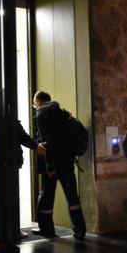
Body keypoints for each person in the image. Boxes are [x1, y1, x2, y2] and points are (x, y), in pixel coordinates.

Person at [31, 91, 87, 240]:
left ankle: (46, 229)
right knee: (72, 197)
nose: (34, 106)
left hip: (53, 164)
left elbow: (46, 142)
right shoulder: (62, 113)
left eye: (34, 103)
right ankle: (80, 229)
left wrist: (49, 166)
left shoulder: (42, 115)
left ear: (39, 102)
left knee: (46, 198)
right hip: (68, 162)